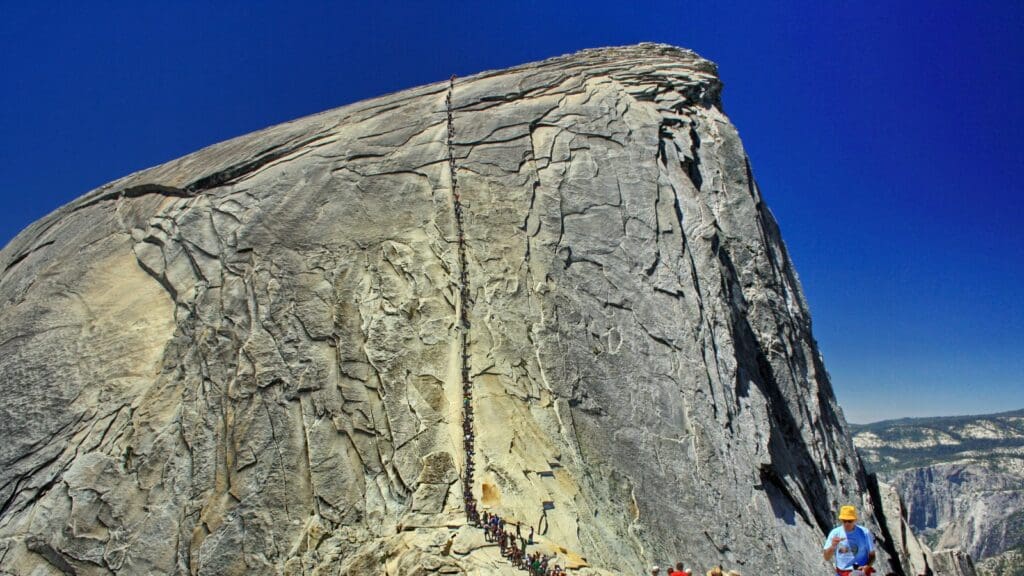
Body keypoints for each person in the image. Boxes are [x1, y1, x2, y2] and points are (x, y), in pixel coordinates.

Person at [823, 505, 876, 575]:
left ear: (855, 520)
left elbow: (872, 555)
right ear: (841, 520)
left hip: (859, 572)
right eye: (844, 521)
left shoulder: (864, 533)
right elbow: (826, 557)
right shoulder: (835, 533)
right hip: (842, 572)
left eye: (850, 521)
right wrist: (832, 546)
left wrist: (866, 567)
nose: (847, 524)